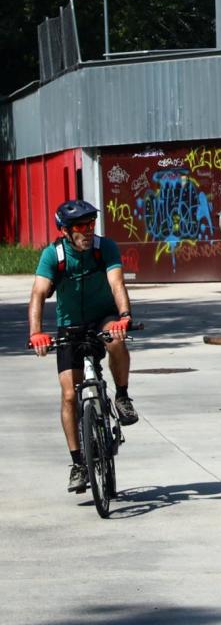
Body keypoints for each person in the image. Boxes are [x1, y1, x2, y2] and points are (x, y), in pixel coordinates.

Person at [26, 199, 137, 493]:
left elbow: (116, 283)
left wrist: (124, 316)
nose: (88, 231)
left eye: (91, 224)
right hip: (70, 326)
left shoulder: (105, 247)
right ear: (65, 230)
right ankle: (78, 463)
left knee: (115, 338)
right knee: (68, 396)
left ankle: (123, 397)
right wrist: (36, 332)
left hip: (103, 317)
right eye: (80, 226)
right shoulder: (54, 255)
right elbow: (38, 293)